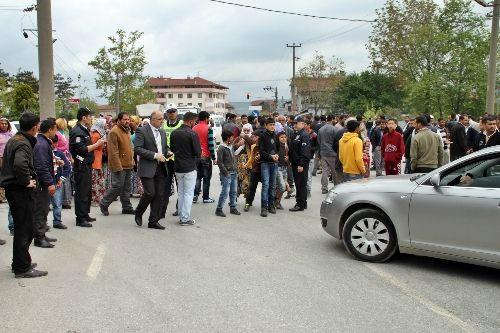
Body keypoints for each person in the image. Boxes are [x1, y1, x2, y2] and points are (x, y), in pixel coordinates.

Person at [0, 112, 48, 278]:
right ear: (35, 127)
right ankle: (22, 267)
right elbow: (20, 164)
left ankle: (20, 262)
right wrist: (26, 181)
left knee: (22, 228)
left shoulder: (17, 139)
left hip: (15, 190)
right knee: (25, 229)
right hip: (19, 191)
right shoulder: (22, 143)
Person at [70, 107, 105, 227]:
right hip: (81, 164)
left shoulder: (84, 129)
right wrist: (97, 145)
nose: (91, 118)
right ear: (83, 118)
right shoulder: (77, 131)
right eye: (89, 116)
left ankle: (85, 214)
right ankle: (80, 218)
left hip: (87, 164)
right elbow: (81, 150)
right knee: (81, 192)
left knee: (87, 191)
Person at [134, 111, 170, 229]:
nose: (162, 121)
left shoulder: (162, 132)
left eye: (162, 119)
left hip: (160, 167)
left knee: (159, 195)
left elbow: (163, 147)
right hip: (147, 167)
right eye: (160, 119)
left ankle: (153, 221)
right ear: (153, 119)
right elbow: (138, 149)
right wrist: (155, 155)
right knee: (150, 193)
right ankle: (138, 212)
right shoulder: (142, 130)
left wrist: (168, 151)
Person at [99, 112, 135, 216]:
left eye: (128, 119)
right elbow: (113, 151)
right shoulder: (114, 131)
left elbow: (130, 148)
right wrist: (117, 166)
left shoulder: (127, 130)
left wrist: (132, 161)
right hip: (119, 165)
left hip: (128, 164)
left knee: (127, 188)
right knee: (117, 186)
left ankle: (127, 207)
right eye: (125, 119)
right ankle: (104, 203)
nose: (127, 121)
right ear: (119, 120)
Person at [170, 112, 201, 226]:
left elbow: (172, 148)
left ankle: (180, 213)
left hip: (177, 166)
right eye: (194, 122)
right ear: (191, 121)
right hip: (189, 167)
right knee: (188, 193)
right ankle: (184, 218)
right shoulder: (192, 134)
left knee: (181, 192)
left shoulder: (174, 133)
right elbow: (198, 152)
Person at [33, 119, 59, 248]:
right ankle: (39, 237)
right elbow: (41, 166)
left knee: (44, 209)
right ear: (50, 130)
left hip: (43, 182)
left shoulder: (44, 142)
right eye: (55, 129)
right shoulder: (41, 144)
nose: (56, 132)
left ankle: (42, 234)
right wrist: (49, 183)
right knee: (41, 210)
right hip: (42, 184)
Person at [161, 104, 182, 218]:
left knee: (180, 187)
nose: (171, 113)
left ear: (177, 112)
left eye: (173, 111)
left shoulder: (181, 124)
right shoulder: (163, 125)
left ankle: (179, 209)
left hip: (178, 160)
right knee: (165, 187)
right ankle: (162, 211)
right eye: (169, 111)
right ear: (167, 113)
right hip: (167, 160)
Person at [215, 130, 240, 217]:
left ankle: (233, 207)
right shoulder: (221, 148)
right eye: (232, 137)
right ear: (228, 138)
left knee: (233, 191)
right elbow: (220, 162)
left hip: (233, 172)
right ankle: (219, 209)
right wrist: (226, 173)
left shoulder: (231, 146)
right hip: (227, 174)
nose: (233, 138)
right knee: (225, 192)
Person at [192, 111, 216, 204]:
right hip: (206, 156)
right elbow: (210, 145)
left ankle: (195, 195)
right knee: (206, 178)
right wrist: (214, 158)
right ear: (206, 118)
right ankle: (205, 198)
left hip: (196, 157)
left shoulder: (193, 128)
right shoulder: (208, 129)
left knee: (197, 177)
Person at [289, 116, 311, 212]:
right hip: (295, 163)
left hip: (300, 164)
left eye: (296, 123)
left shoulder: (304, 135)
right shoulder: (297, 134)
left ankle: (300, 204)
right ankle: (303, 202)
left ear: (302, 124)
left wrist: (301, 164)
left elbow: (305, 151)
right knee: (299, 183)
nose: (294, 125)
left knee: (301, 184)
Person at [258, 117, 279, 217]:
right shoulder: (262, 136)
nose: (272, 126)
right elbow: (261, 151)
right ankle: (264, 207)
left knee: (272, 185)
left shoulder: (276, 135)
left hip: (274, 164)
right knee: (265, 185)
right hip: (265, 163)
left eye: (273, 125)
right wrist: (270, 156)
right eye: (270, 125)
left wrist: (277, 155)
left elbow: (278, 149)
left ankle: (271, 205)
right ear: (266, 126)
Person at [50, 134, 71, 230]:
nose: (53, 145)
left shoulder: (60, 153)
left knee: (57, 203)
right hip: (47, 182)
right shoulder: (43, 153)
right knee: (44, 205)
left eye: (55, 143)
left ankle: (57, 221)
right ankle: (43, 223)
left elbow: (68, 167)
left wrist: (61, 179)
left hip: (57, 181)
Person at [55, 118, 72, 209]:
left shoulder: (64, 133)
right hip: (61, 157)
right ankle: (63, 200)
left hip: (66, 156)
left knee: (67, 179)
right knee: (63, 178)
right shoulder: (57, 134)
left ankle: (66, 199)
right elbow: (56, 147)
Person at [317, 115, 337, 194]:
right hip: (332, 153)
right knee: (334, 171)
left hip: (323, 152)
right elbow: (336, 142)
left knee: (325, 171)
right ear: (332, 119)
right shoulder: (334, 129)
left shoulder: (321, 129)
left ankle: (324, 188)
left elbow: (319, 142)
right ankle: (336, 186)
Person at [90, 118, 107, 206]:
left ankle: (97, 198)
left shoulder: (96, 133)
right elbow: (93, 147)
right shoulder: (96, 135)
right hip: (95, 160)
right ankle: (96, 199)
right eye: (104, 124)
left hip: (97, 159)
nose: (105, 125)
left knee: (97, 180)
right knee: (96, 181)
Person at [275, 132, 290, 210]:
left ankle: (277, 201)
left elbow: (287, 159)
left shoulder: (286, 147)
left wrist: (287, 159)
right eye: (281, 137)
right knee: (282, 186)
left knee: (282, 187)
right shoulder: (276, 146)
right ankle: (275, 200)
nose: (283, 138)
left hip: (284, 168)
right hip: (278, 168)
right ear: (278, 138)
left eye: (285, 137)